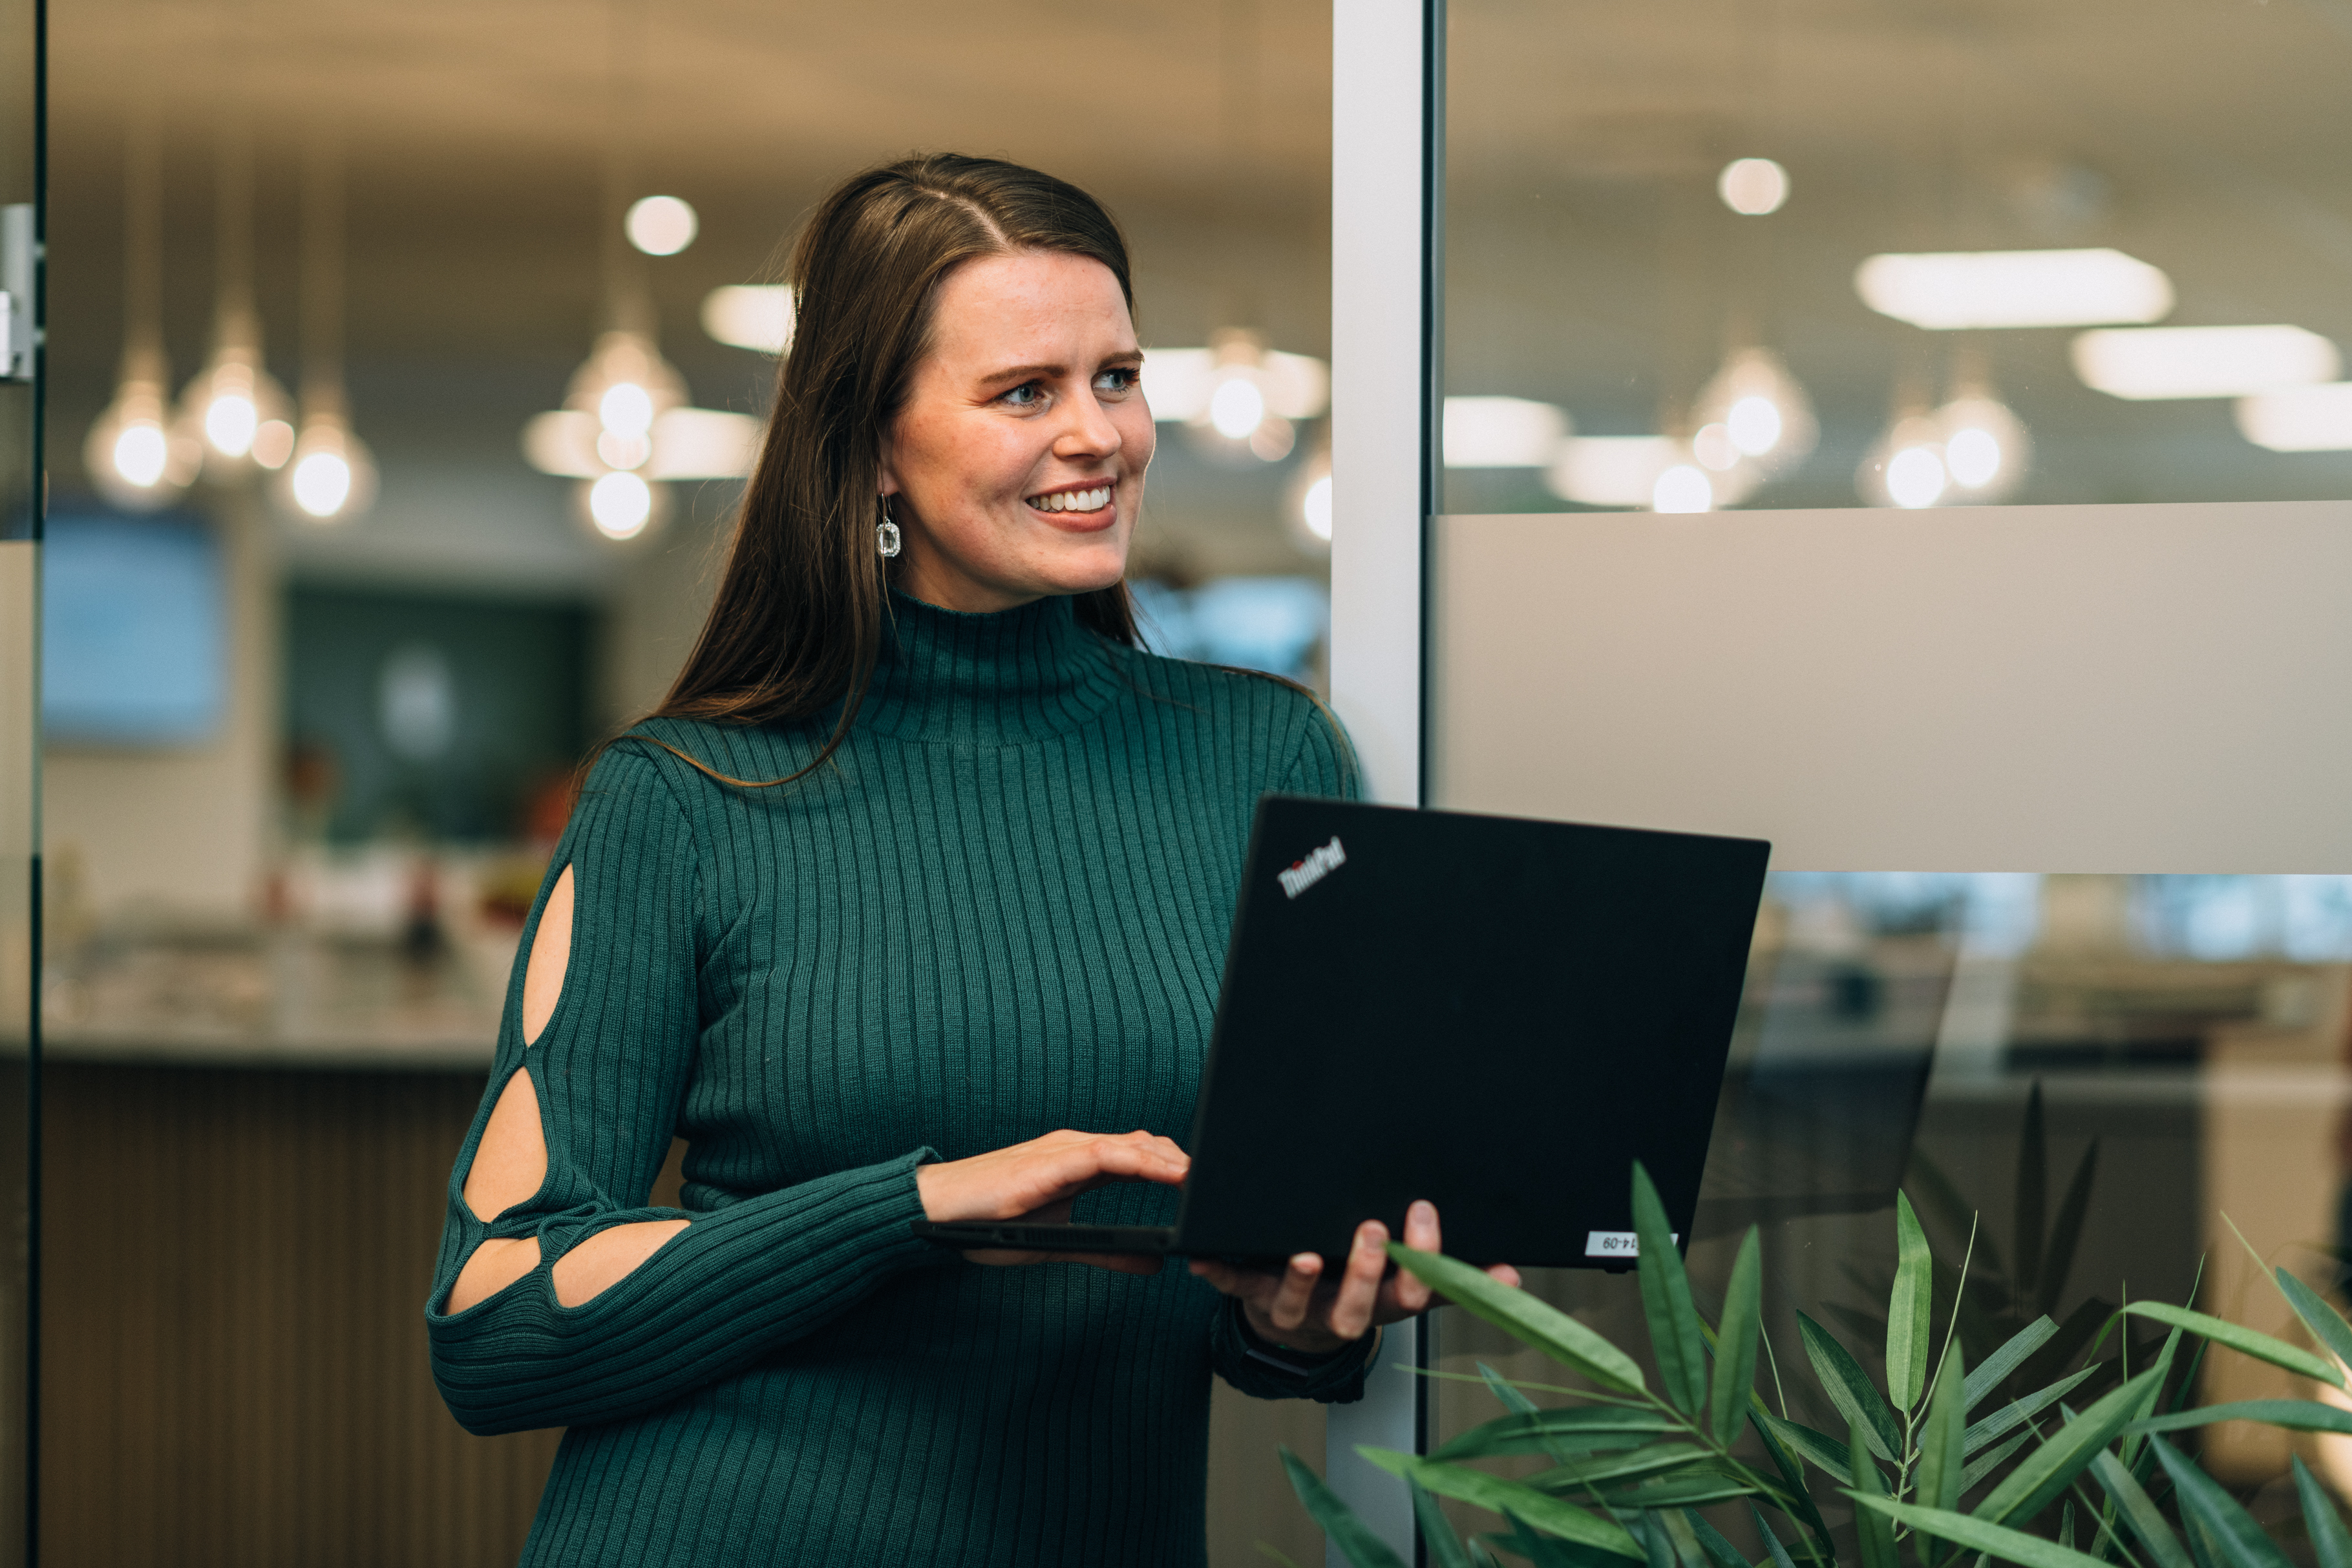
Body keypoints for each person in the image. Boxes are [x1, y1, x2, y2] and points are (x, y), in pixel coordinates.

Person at [425, 152, 1516, 1567]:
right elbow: (494, 1319)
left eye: (1116, 377)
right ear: (874, 441)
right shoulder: (682, 797)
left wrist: (1286, 1321)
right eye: (1024, 392)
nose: (1098, 437)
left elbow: (1258, 1258)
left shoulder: (1268, 762)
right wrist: (913, 1204)